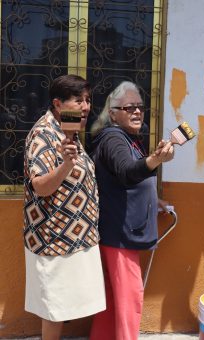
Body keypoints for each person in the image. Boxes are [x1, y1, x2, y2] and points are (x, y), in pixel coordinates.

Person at [89, 81, 174, 340]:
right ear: (113, 113)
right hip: (119, 233)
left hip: (117, 231)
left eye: (140, 106)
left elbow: (127, 178)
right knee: (130, 299)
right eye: (129, 107)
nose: (137, 112)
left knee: (114, 298)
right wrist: (157, 159)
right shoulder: (114, 138)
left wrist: (153, 199)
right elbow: (127, 172)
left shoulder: (127, 138)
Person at [23, 74, 106, 340]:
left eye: (88, 100)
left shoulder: (67, 132)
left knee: (62, 306)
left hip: (72, 237)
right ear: (58, 104)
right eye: (79, 100)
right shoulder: (44, 134)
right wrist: (66, 166)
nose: (86, 107)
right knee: (54, 309)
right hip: (54, 239)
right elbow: (41, 187)